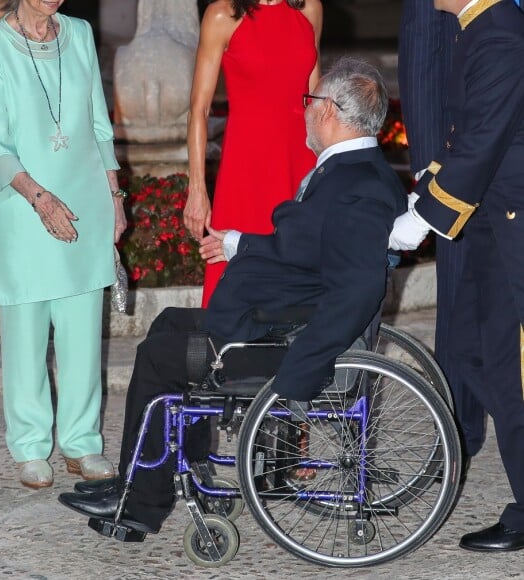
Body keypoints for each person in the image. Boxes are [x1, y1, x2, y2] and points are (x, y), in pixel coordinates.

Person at [58, 57, 407, 535]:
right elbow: (309, 249)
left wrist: (301, 368)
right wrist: (240, 244)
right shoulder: (355, 172)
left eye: (310, 103)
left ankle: (139, 504)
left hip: (282, 340)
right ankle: (171, 471)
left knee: (158, 357)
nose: (305, 113)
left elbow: (359, 287)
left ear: (329, 110)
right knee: (169, 326)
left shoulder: (356, 186)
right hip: (276, 318)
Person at [0, 0, 127, 489]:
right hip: (22, 206)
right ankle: (31, 444)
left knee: (83, 332)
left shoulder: (78, 33)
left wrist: (116, 198)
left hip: (84, 203)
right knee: (26, 331)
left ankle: (82, 443)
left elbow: (99, 124)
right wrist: (39, 199)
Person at [389, 0, 524, 552]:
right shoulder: (480, 29)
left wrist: (420, 220)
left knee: (508, 369)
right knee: (473, 353)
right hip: (492, 224)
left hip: (511, 226)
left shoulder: (500, 32)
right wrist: (415, 199)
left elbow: (479, 144)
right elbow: (460, 137)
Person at [184, 0, 323, 306]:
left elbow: (315, 97)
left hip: (301, 163)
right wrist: (197, 189)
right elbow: (200, 109)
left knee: (302, 277)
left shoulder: (308, 8)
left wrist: (331, 165)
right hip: (247, 169)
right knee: (236, 282)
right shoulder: (223, 14)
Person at [398, 0, 486, 458]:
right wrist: (431, 167)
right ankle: (460, 431)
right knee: (458, 300)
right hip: (461, 159)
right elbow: (419, 54)